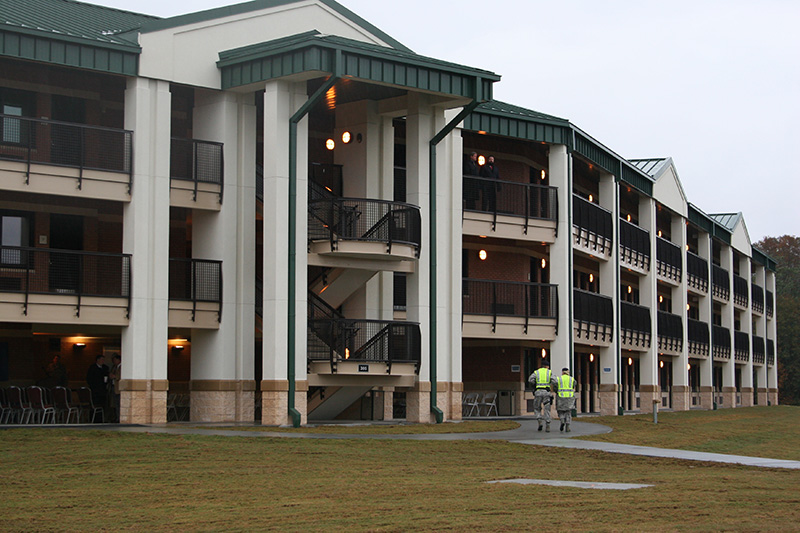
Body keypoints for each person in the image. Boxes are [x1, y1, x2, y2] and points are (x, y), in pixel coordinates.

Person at [528, 360, 556, 432]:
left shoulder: (536, 372)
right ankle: (548, 425)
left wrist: (535, 384)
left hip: (538, 392)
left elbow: (530, 380)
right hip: (546, 392)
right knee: (547, 409)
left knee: (537, 408)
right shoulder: (549, 372)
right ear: (547, 366)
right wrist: (550, 383)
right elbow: (555, 381)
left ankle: (539, 421)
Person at [556, 367, 577, 433]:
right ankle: (567, 425)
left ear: (562, 372)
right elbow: (574, 385)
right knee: (568, 411)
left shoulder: (559, 379)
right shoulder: (572, 379)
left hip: (560, 396)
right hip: (570, 397)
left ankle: (562, 420)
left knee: (560, 411)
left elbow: (555, 387)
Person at [108, 354, 121, 423]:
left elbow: (120, 376)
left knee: (118, 404)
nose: (114, 361)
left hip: (118, 389)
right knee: (114, 404)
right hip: (113, 387)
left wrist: (115, 376)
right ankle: (115, 417)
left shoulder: (122, 367)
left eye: (115, 360)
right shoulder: (114, 367)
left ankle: (119, 418)